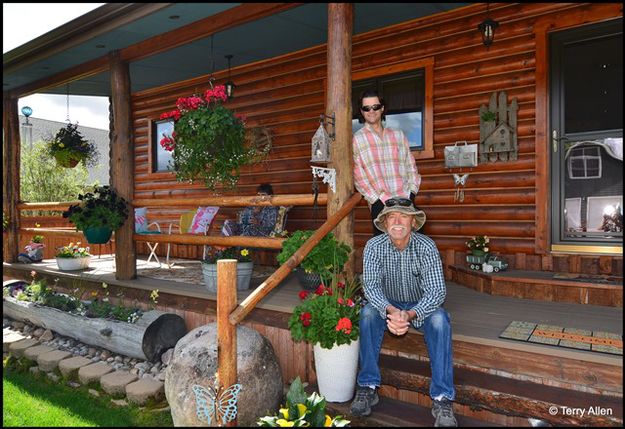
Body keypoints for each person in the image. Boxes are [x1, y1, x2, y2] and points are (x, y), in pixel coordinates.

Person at [350, 197, 457, 427]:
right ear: (385, 222)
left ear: (413, 222)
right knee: (367, 314)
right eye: (391, 216)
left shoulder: (426, 246)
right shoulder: (374, 246)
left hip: (420, 307)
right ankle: (368, 386)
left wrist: (409, 315)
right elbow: (371, 287)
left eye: (404, 216)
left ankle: (442, 398)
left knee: (440, 321)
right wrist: (391, 310)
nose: (397, 221)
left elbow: (437, 292)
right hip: (386, 305)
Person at [352, 88, 422, 236]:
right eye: (366, 108)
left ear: (382, 108)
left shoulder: (398, 135)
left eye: (376, 107)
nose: (371, 111)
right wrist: (376, 200)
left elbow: (411, 166)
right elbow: (358, 175)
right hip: (381, 204)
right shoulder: (357, 140)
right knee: (383, 253)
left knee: (415, 248)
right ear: (362, 111)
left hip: (405, 201)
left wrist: (411, 193)